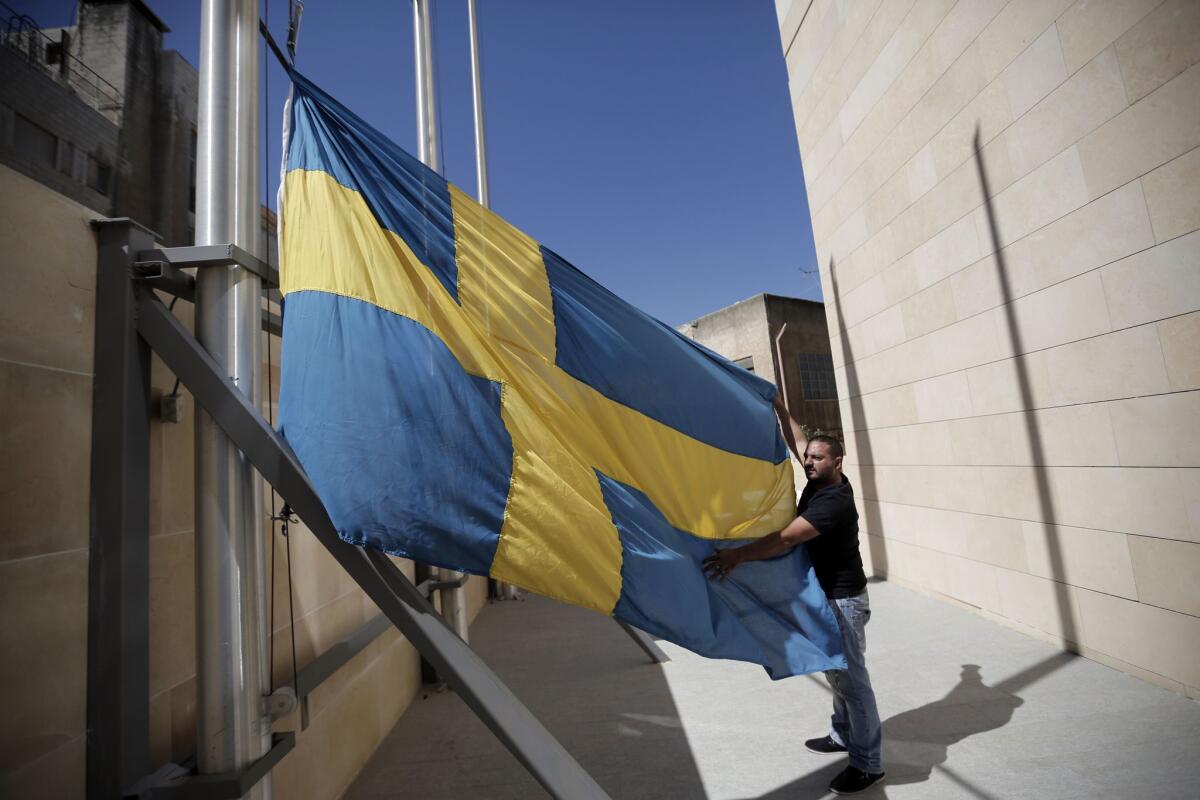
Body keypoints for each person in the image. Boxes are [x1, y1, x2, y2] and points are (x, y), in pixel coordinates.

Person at [703, 397, 884, 795]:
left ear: (837, 461)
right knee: (835, 671)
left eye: (818, 458)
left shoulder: (833, 503)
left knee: (852, 681)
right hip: (829, 596)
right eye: (809, 458)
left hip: (843, 600)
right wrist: (779, 406)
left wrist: (737, 556)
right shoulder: (825, 481)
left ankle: (868, 764)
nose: (809, 462)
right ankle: (842, 735)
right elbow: (799, 439)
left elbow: (785, 539)